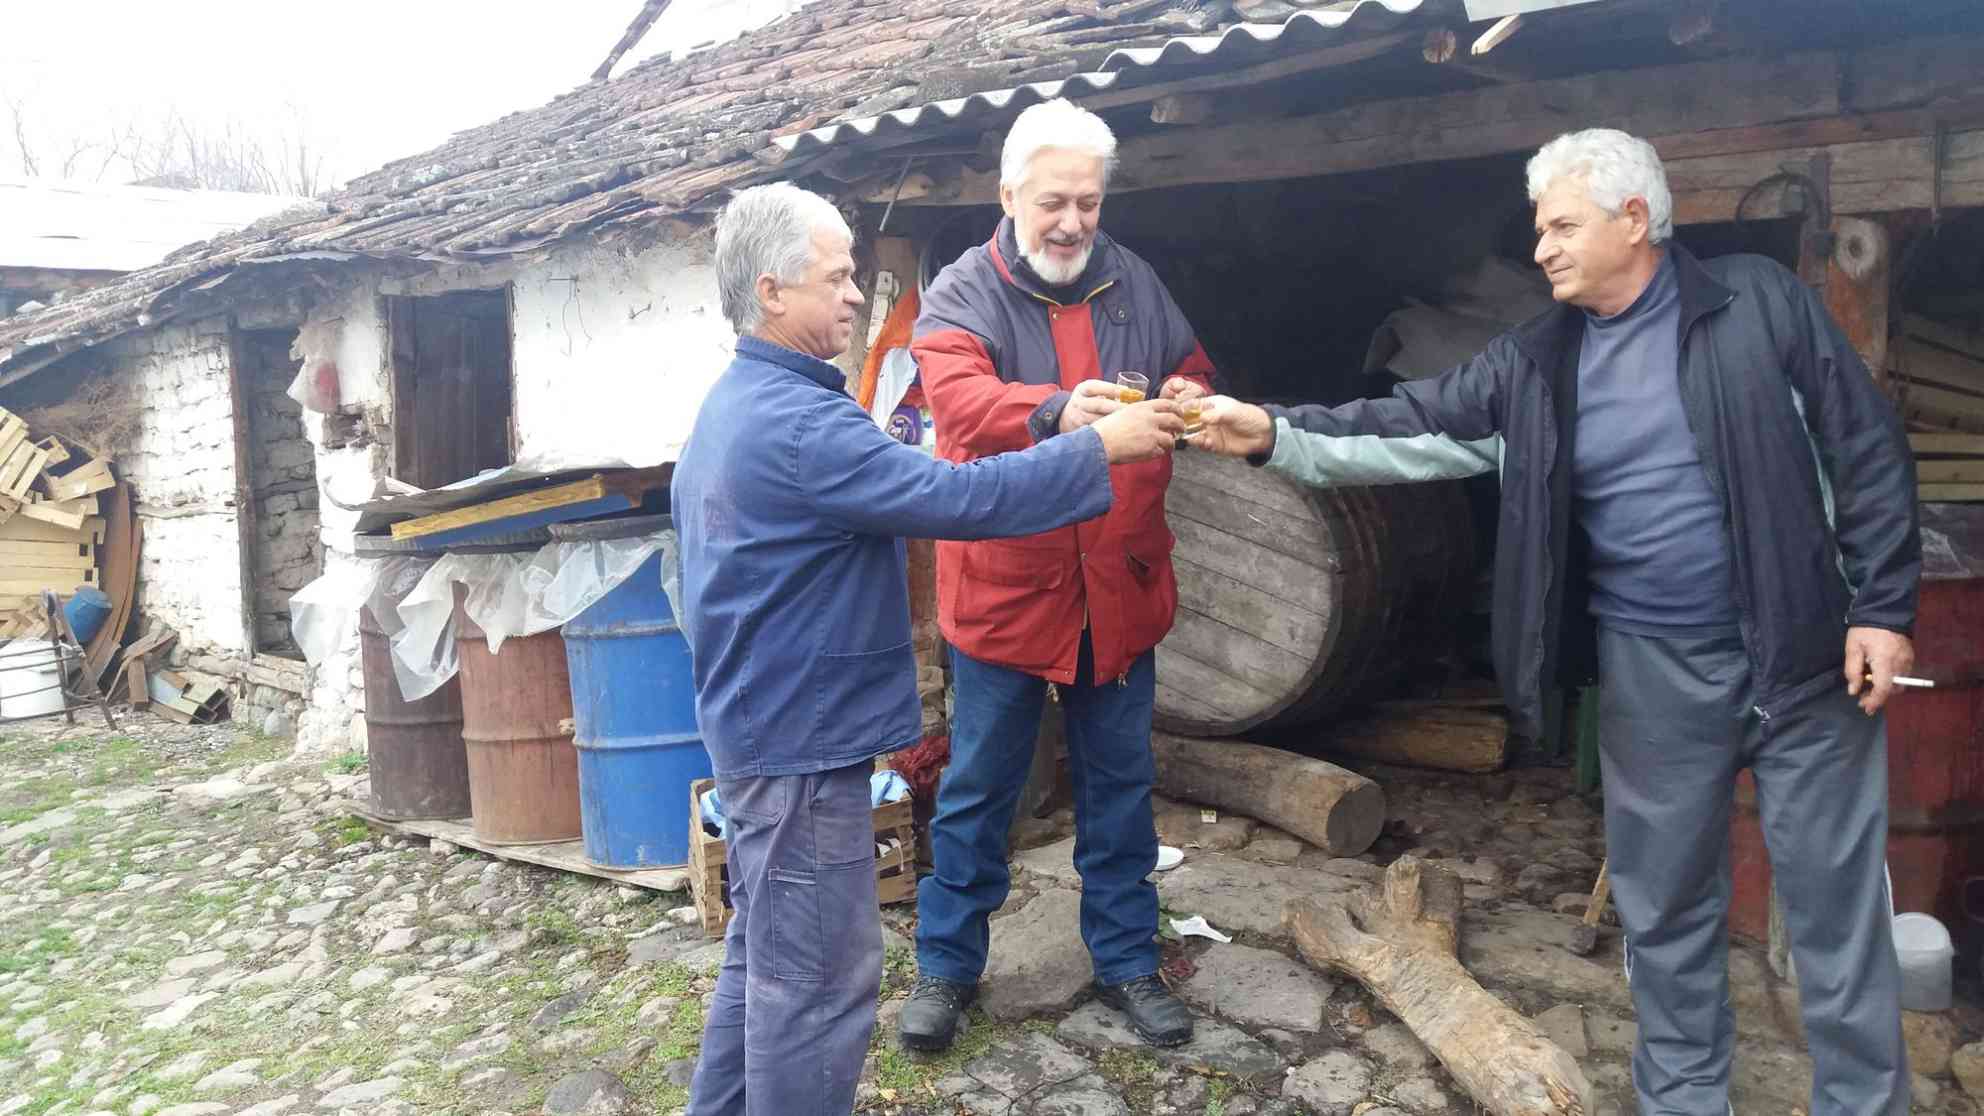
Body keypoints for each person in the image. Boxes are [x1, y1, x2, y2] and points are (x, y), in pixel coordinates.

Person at [1192, 127, 1919, 1115]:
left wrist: (1880, 608)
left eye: (1561, 224)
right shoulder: (1535, 362)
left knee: (1835, 913)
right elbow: (1409, 426)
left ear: (1633, 218)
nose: (1540, 248)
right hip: (1653, 671)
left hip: (1802, 655)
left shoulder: (1756, 304)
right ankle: (1684, 1098)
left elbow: (1864, 443)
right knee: (1663, 909)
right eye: (1540, 228)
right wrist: (1276, 434)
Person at [670, 182, 1185, 1116]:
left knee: (767, 961)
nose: (859, 294)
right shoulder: (799, 424)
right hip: (797, 745)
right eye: (838, 278)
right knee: (820, 985)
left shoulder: (743, 399)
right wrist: (1096, 446)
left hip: (765, 731)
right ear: (773, 291)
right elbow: (959, 501)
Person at [900, 98, 1215, 1053]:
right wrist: (1055, 410)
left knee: (1120, 789)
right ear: (1009, 197)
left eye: (1087, 201)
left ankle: (1125, 958)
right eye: (1052, 203)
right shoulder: (960, 293)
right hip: (1007, 592)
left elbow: (1189, 362)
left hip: (1116, 592)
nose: (1073, 221)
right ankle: (947, 969)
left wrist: (1191, 393)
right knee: (979, 791)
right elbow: (958, 404)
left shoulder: (1135, 282)